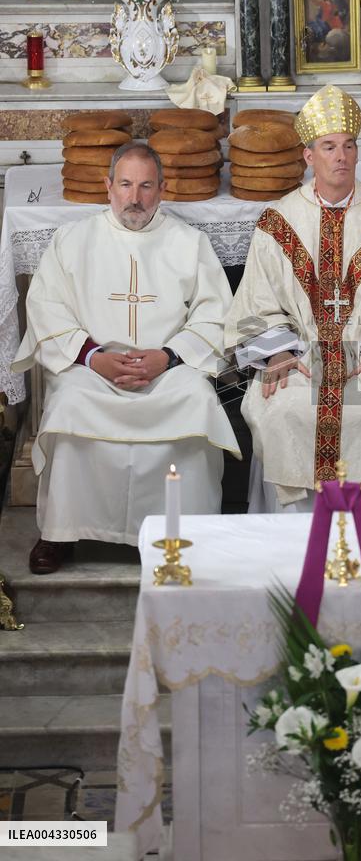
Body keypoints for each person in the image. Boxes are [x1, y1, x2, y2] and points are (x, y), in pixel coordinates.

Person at [12, 141, 240, 574]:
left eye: (146, 186)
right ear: (108, 187)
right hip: (94, 370)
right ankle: (61, 530)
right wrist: (92, 355)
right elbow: (45, 306)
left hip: (168, 369)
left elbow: (217, 313)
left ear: (162, 189)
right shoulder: (72, 239)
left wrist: (169, 356)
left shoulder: (188, 242)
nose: (135, 198)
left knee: (196, 398)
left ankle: (187, 532)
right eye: (126, 185)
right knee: (70, 401)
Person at [225, 85, 361, 512]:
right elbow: (255, 303)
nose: (340, 156)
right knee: (284, 410)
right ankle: (291, 544)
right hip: (298, 357)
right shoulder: (278, 223)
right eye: (329, 147)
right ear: (310, 156)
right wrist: (274, 355)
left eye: (348, 146)